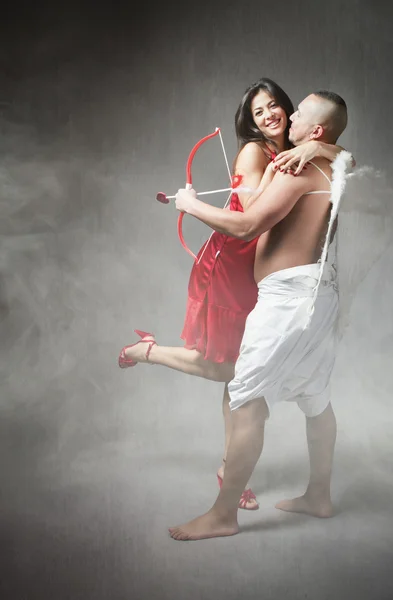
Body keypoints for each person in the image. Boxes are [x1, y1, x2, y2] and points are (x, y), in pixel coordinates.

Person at [118, 79, 349, 511]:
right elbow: (248, 216)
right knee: (231, 371)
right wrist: (191, 202)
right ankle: (148, 353)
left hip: (268, 268)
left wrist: (317, 150)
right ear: (251, 120)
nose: (272, 116)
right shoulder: (256, 152)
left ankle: (229, 468)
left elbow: (342, 155)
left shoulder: (304, 153)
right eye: (259, 112)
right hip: (234, 265)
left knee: (241, 374)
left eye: (278, 106)